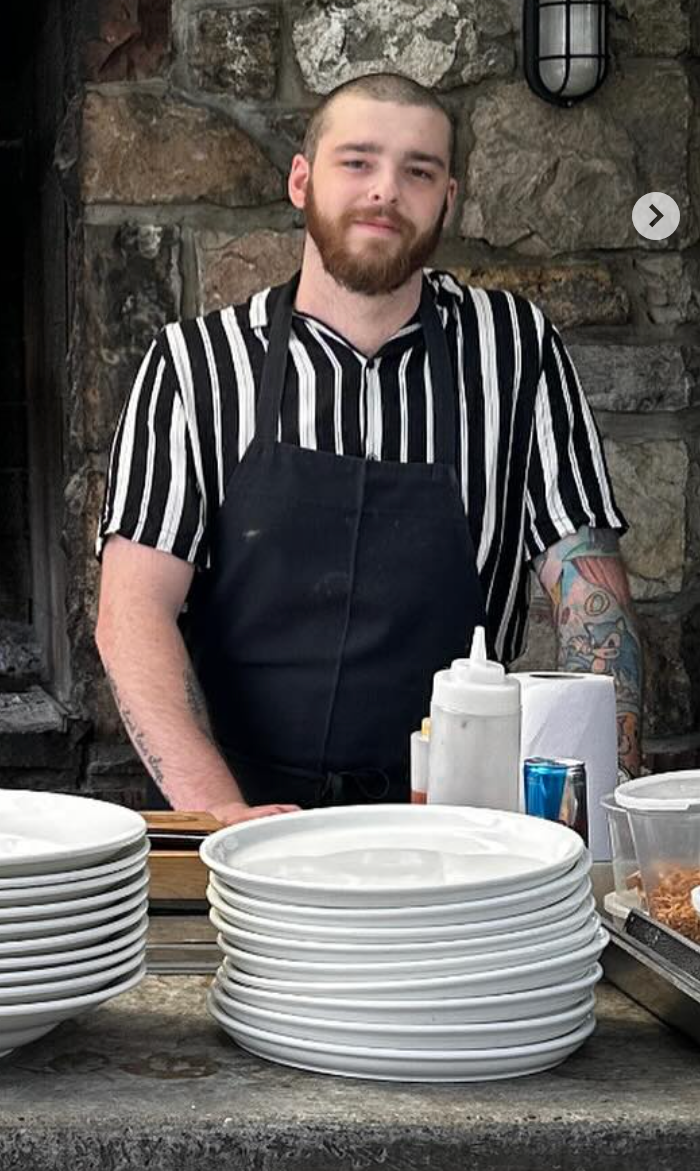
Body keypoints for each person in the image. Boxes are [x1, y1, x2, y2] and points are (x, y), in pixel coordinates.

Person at [93, 71, 641, 824]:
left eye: (419, 171)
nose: (386, 191)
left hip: (459, 822)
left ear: (448, 199)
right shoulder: (193, 366)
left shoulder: (515, 349)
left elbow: (592, 605)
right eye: (358, 161)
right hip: (243, 822)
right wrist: (217, 813)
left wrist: (597, 823)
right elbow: (132, 618)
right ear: (301, 179)